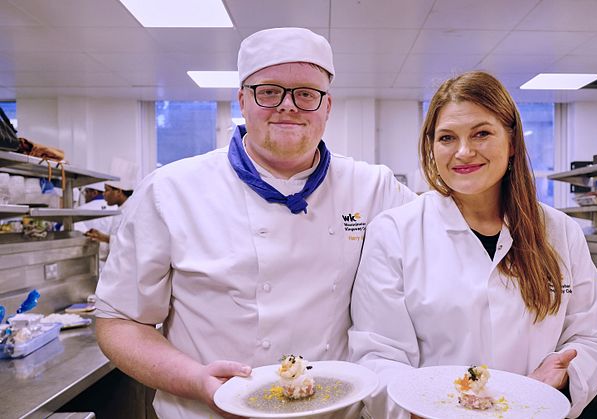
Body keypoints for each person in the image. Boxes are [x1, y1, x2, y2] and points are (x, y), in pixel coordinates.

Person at [94, 27, 415, 419]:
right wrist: (196, 380)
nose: (288, 106)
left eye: (306, 94)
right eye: (268, 91)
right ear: (242, 100)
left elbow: (448, 234)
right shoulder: (170, 192)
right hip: (206, 413)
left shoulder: (372, 187)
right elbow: (119, 322)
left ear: (327, 107)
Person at [348, 71, 597, 419]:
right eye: (447, 137)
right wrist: (421, 408)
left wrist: (560, 375)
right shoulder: (395, 232)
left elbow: (591, 336)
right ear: (432, 146)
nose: (463, 151)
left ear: (512, 141)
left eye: (482, 133)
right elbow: (378, 353)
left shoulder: (560, 232)